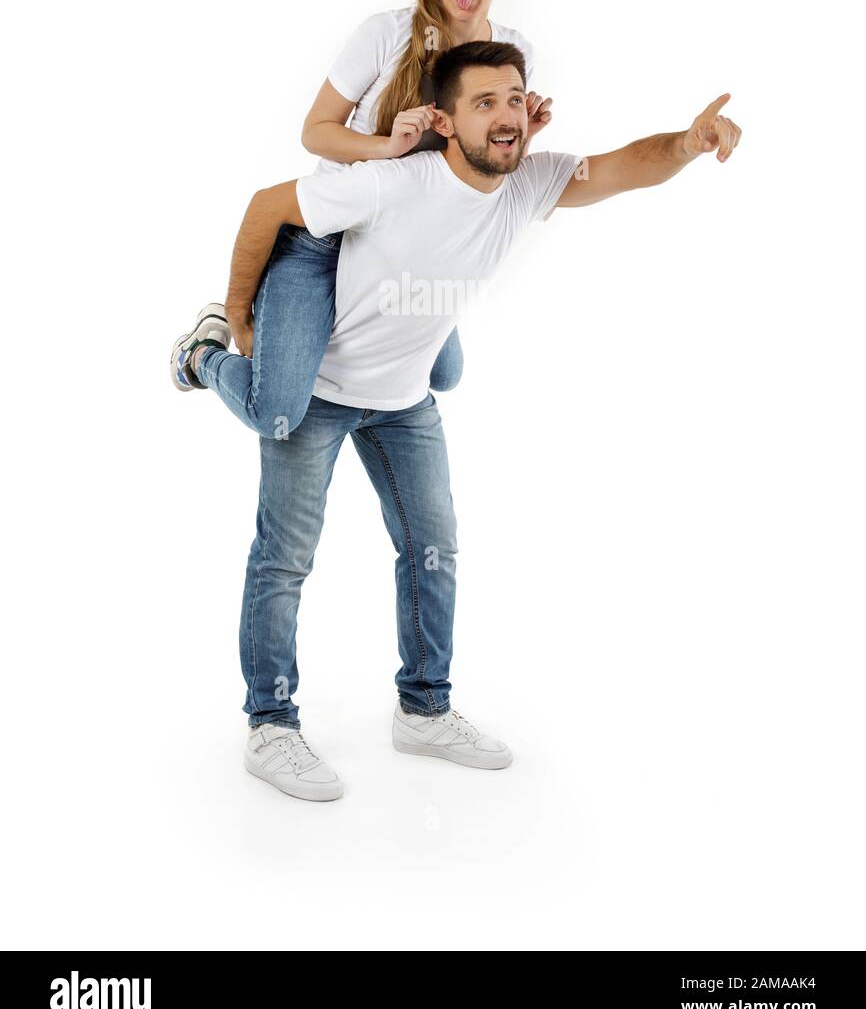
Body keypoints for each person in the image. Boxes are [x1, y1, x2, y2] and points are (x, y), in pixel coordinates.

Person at [174, 39, 740, 802]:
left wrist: (687, 143)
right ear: (446, 120)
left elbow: (615, 169)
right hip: (324, 390)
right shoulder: (388, 185)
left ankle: (425, 707)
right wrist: (239, 316)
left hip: (405, 402)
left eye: (514, 98)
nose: (507, 115)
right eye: (484, 103)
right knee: (285, 559)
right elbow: (268, 207)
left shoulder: (527, 182)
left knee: (432, 549)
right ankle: (271, 722)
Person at [170, 0, 554, 432]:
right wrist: (385, 147)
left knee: (445, 376)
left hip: (408, 249)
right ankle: (203, 355)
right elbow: (315, 132)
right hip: (328, 239)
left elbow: (485, 161)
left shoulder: (516, 51)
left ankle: (328, 356)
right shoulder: (387, 34)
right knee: (278, 409)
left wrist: (524, 135)